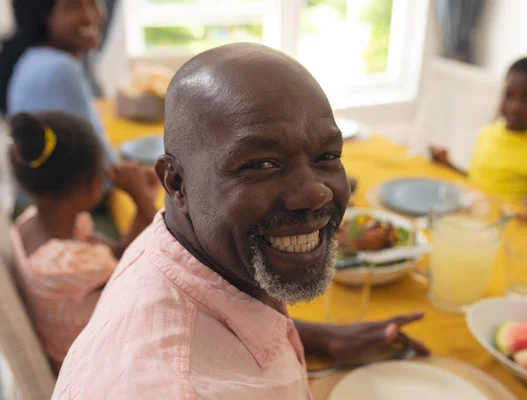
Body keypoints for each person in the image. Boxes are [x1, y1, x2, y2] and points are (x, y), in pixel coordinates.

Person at [52, 43, 428, 399]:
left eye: (328, 155)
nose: (317, 194)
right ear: (176, 183)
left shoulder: (172, 243)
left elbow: (225, 317)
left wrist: (326, 338)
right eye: (262, 164)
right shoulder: (175, 386)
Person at [8, 111, 158, 373]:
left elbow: (121, 250)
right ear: (87, 186)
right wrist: (139, 195)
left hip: (67, 350)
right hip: (90, 367)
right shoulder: (70, 263)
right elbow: (161, 252)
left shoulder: (28, 225)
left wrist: (141, 196)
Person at [430, 57, 527, 219]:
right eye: (509, 95)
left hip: (507, 226)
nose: (515, 106)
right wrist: (448, 164)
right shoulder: (487, 132)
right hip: (469, 216)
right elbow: (478, 182)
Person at [0, 0, 117, 167]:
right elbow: (103, 168)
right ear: (42, 15)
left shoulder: (34, 57)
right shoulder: (60, 69)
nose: (90, 16)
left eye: (94, 2)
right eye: (73, 6)